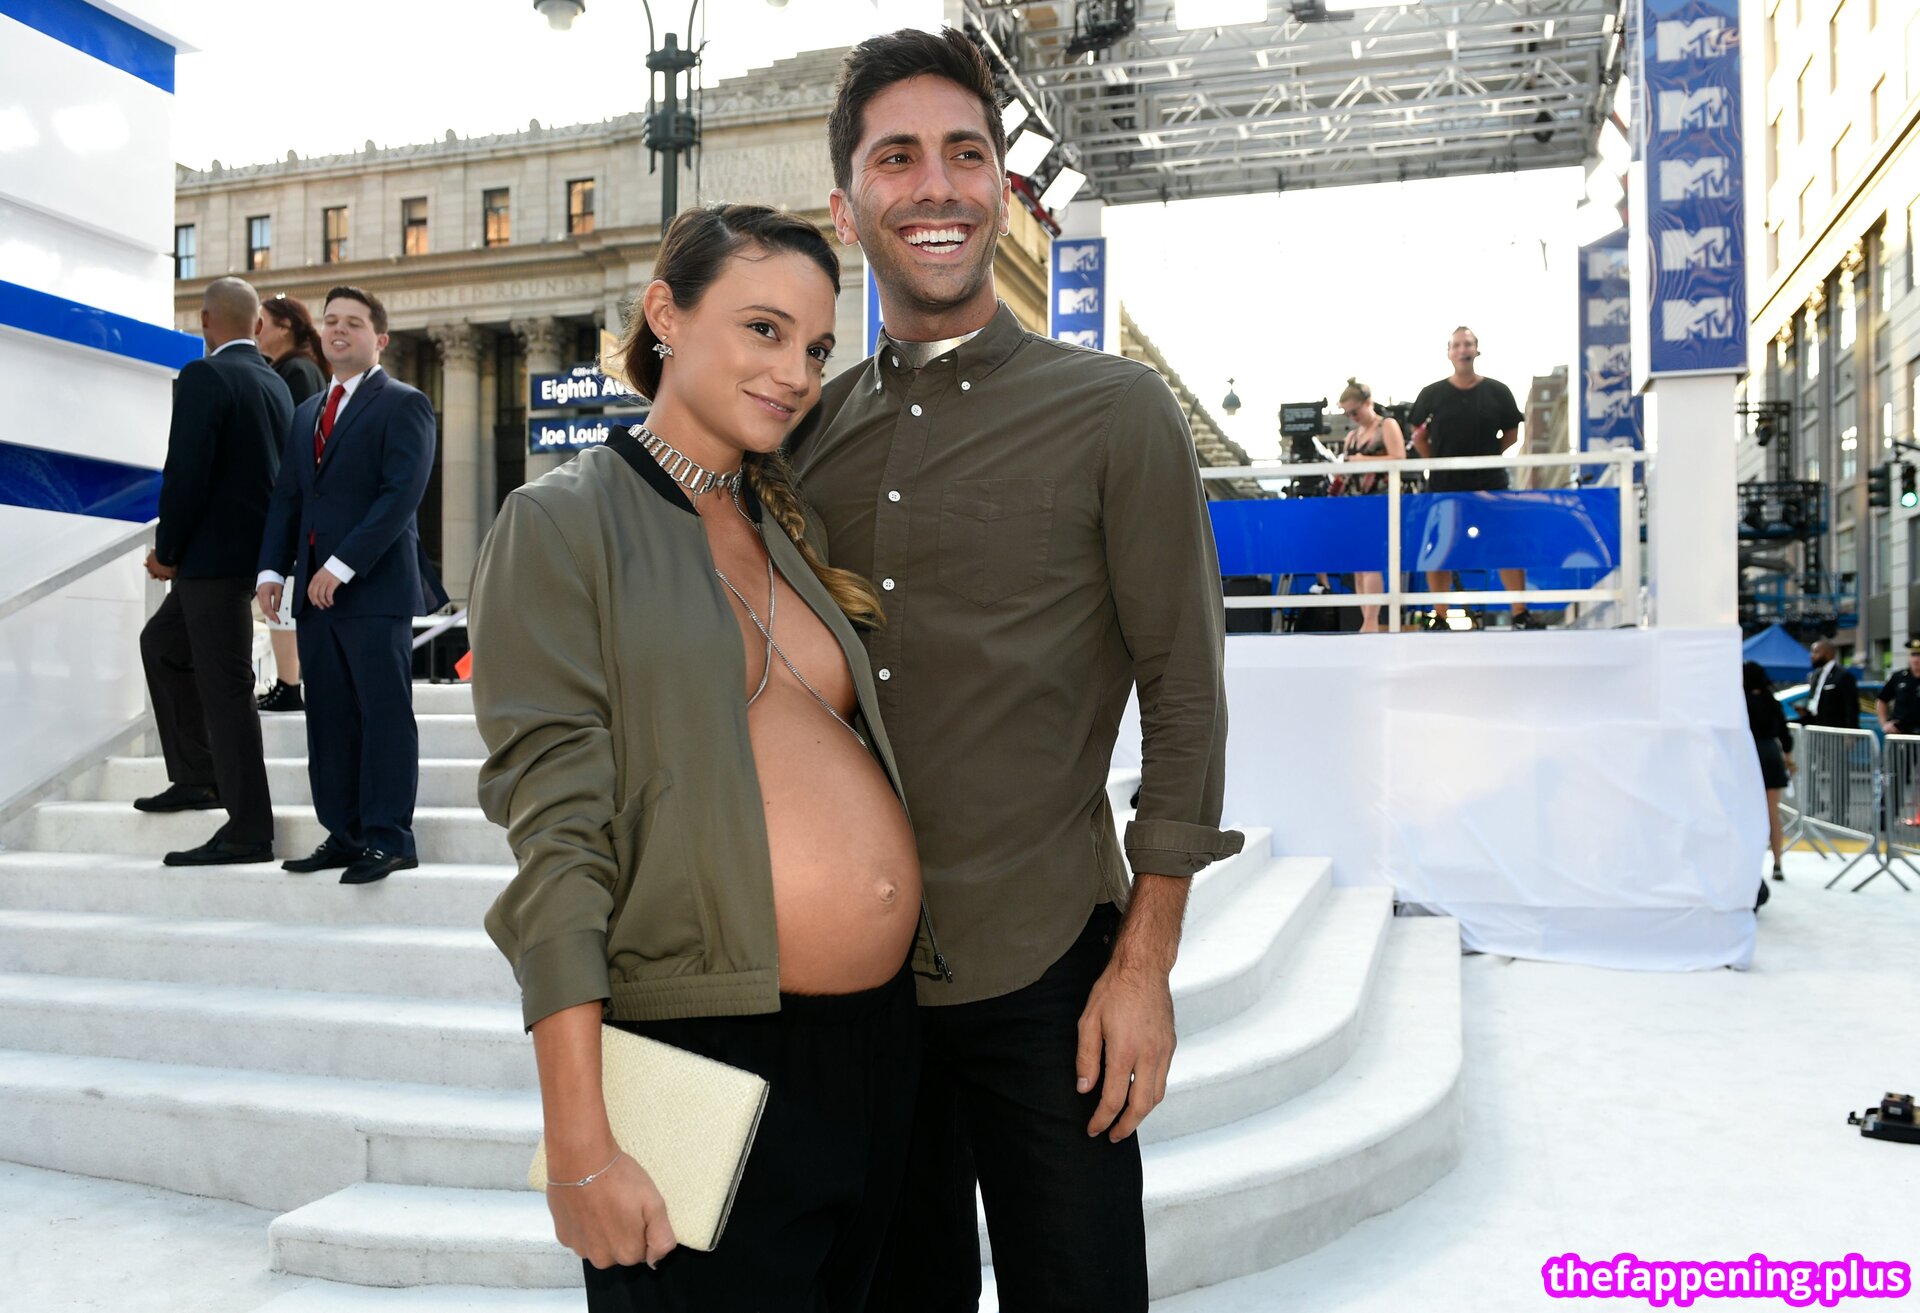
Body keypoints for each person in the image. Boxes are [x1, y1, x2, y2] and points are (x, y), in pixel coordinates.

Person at [789, 29, 1242, 1312]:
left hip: (1051, 972)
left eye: (965, 154)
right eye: (897, 157)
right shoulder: (805, 438)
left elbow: (1187, 696)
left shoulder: (1118, 412)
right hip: (854, 988)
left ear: (1005, 189)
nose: (935, 184)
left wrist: (1144, 965)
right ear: (847, 207)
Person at [470, 204, 936, 1310]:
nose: (796, 372)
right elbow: (559, 842)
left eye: (816, 347)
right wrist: (578, 1136)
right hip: (699, 1051)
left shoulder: (787, 523)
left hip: (883, 1049)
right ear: (666, 315)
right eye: (763, 329)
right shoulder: (561, 523)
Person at [256, 286, 446, 886]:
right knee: (329, 719)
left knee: (383, 715)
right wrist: (271, 570)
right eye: (331, 321)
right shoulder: (307, 412)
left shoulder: (405, 404)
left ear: (379, 339)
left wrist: (340, 567)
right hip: (313, 597)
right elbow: (289, 497)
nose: (339, 330)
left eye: (354, 323)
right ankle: (344, 834)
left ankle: (390, 839)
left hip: (373, 590)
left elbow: (400, 496)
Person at [135, 276, 292, 866]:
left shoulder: (205, 375)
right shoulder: (274, 382)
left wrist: (168, 551)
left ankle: (249, 829)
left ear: (204, 321)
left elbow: (186, 473)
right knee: (163, 644)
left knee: (226, 690)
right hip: (250, 557)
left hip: (211, 560)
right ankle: (198, 776)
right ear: (257, 325)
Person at [1408, 327, 1537, 630]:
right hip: (1444, 486)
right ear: (1449, 353)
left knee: (1506, 544)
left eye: (1468, 344)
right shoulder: (1431, 394)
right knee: (1440, 549)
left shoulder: (1498, 391)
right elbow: (1417, 435)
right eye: (1456, 345)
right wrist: (1436, 463)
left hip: (1491, 484)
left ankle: (1519, 612)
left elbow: (1512, 433)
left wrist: (1488, 458)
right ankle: (1440, 616)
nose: (1462, 349)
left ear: (1477, 350)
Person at [253, 293, 329, 714]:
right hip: (299, 499)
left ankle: (289, 681)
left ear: (285, 327)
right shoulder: (301, 369)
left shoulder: (297, 372)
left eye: (262, 322)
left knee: (282, 590)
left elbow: (292, 438)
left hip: (294, 500)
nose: (256, 331)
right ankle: (289, 681)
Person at [1334, 377, 1405, 634]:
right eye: (1347, 414)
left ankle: (1372, 621)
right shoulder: (1351, 436)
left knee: (1371, 561)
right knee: (1359, 564)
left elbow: (1399, 458)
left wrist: (1362, 460)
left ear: (1368, 403)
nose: (1352, 417)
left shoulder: (1386, 425)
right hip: (1356, 504)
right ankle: (1367, 620)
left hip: (1380, 501)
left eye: (1354, 412)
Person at [1743, 661, 1792, 891]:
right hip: (1771, 754)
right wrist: (1788, 758)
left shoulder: (1741, 700)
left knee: (1747, 813)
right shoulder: (1771, 700)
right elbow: (1785, 733)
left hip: (1749, 755)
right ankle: (1778, 862)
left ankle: (1750, 864)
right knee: (1773, 813)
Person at [1799, 640, 1858, 730]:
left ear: (1828, 654)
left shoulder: (1843, 675)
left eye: (1816, 652)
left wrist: (1850, 732)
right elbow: (1813, 700)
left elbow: (1851, 707)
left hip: (1834, 730)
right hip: (1815, 727)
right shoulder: (1815, 675)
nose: (1811, 655)